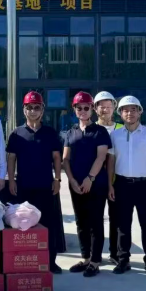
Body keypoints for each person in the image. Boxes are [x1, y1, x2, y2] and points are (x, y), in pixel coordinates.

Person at [7, 91, 65, 274]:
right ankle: (26, 261)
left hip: (46, 186)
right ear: (24, 110)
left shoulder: (50, 133)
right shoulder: (16, 134)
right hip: (23, 186)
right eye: (29, 107)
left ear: (42, 110)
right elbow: (11, 159)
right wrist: (11, 180)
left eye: (36, 107)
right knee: (23, 225)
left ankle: (50, 261)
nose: (33, 111)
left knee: (48, 225)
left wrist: (57, 179)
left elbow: (57, 158)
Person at [107, 96, 146, 279]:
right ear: (120, 113)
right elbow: (111, 162)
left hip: (144, 185)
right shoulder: (115, 135)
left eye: (133, 109)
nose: (129, 113)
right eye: (125, 110)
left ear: (140, 112)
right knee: (123, 225)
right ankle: (123, 259)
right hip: (122, 184)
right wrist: (110, 185)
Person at [62, 92, 110, 277]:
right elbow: (66, 159)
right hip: (76, 185)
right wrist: (72, 180)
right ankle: (85, 258)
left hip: (96, 184)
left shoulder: (100, 131)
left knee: (95, 222)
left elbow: (101, 157)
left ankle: (95, 261)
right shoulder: (70, 132)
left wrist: (90, 178)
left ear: (92, 109)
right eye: (79, 108)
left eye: (86, 107)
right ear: (74, 109)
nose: (82, 111)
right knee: (81, 222)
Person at [94, 90, 123, 265]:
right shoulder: (92, 129)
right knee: (95, 219)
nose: (105, 110)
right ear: (95, 109)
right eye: (101, 106)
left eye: (108, 106)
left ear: (114, 107)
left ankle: (115, 253)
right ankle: (94, 254)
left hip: (117, 181)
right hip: (96, 181)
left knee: (116, 219)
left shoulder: (122, 129)